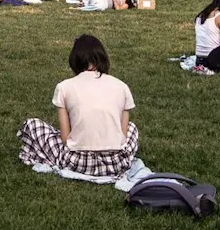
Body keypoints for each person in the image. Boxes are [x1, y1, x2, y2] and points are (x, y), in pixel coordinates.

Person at [17, 35, 138, 179]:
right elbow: (123, 137)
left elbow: (66, 139)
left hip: (77, 162)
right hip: (116, 163)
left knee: (32, 125)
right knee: (132, 128)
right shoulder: (121, 86)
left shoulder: (64, 87)